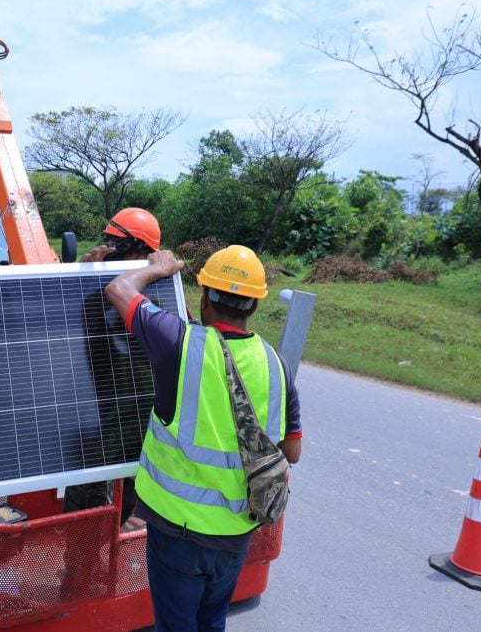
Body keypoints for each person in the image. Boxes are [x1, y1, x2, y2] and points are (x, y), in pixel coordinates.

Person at [104, 245, 302, 631]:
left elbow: (119, 289)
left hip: (177, 532)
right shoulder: (277, 366)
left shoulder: (178, 342)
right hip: (236, 532)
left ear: (205, 295)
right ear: (255, 307)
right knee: (212, 621)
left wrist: (159, 268)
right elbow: (292, 451)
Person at [64, 208, 161, 525]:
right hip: (99, 405)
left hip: (134, 414)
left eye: (117, 244)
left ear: (142, 251)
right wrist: (84, 278)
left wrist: (91, 282)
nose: (108, 250)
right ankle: (83, 558)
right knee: (85, 500)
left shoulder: (156, 300)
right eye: (108, 241)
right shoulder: (101, 290)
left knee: (120, 492)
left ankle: (101, 551)